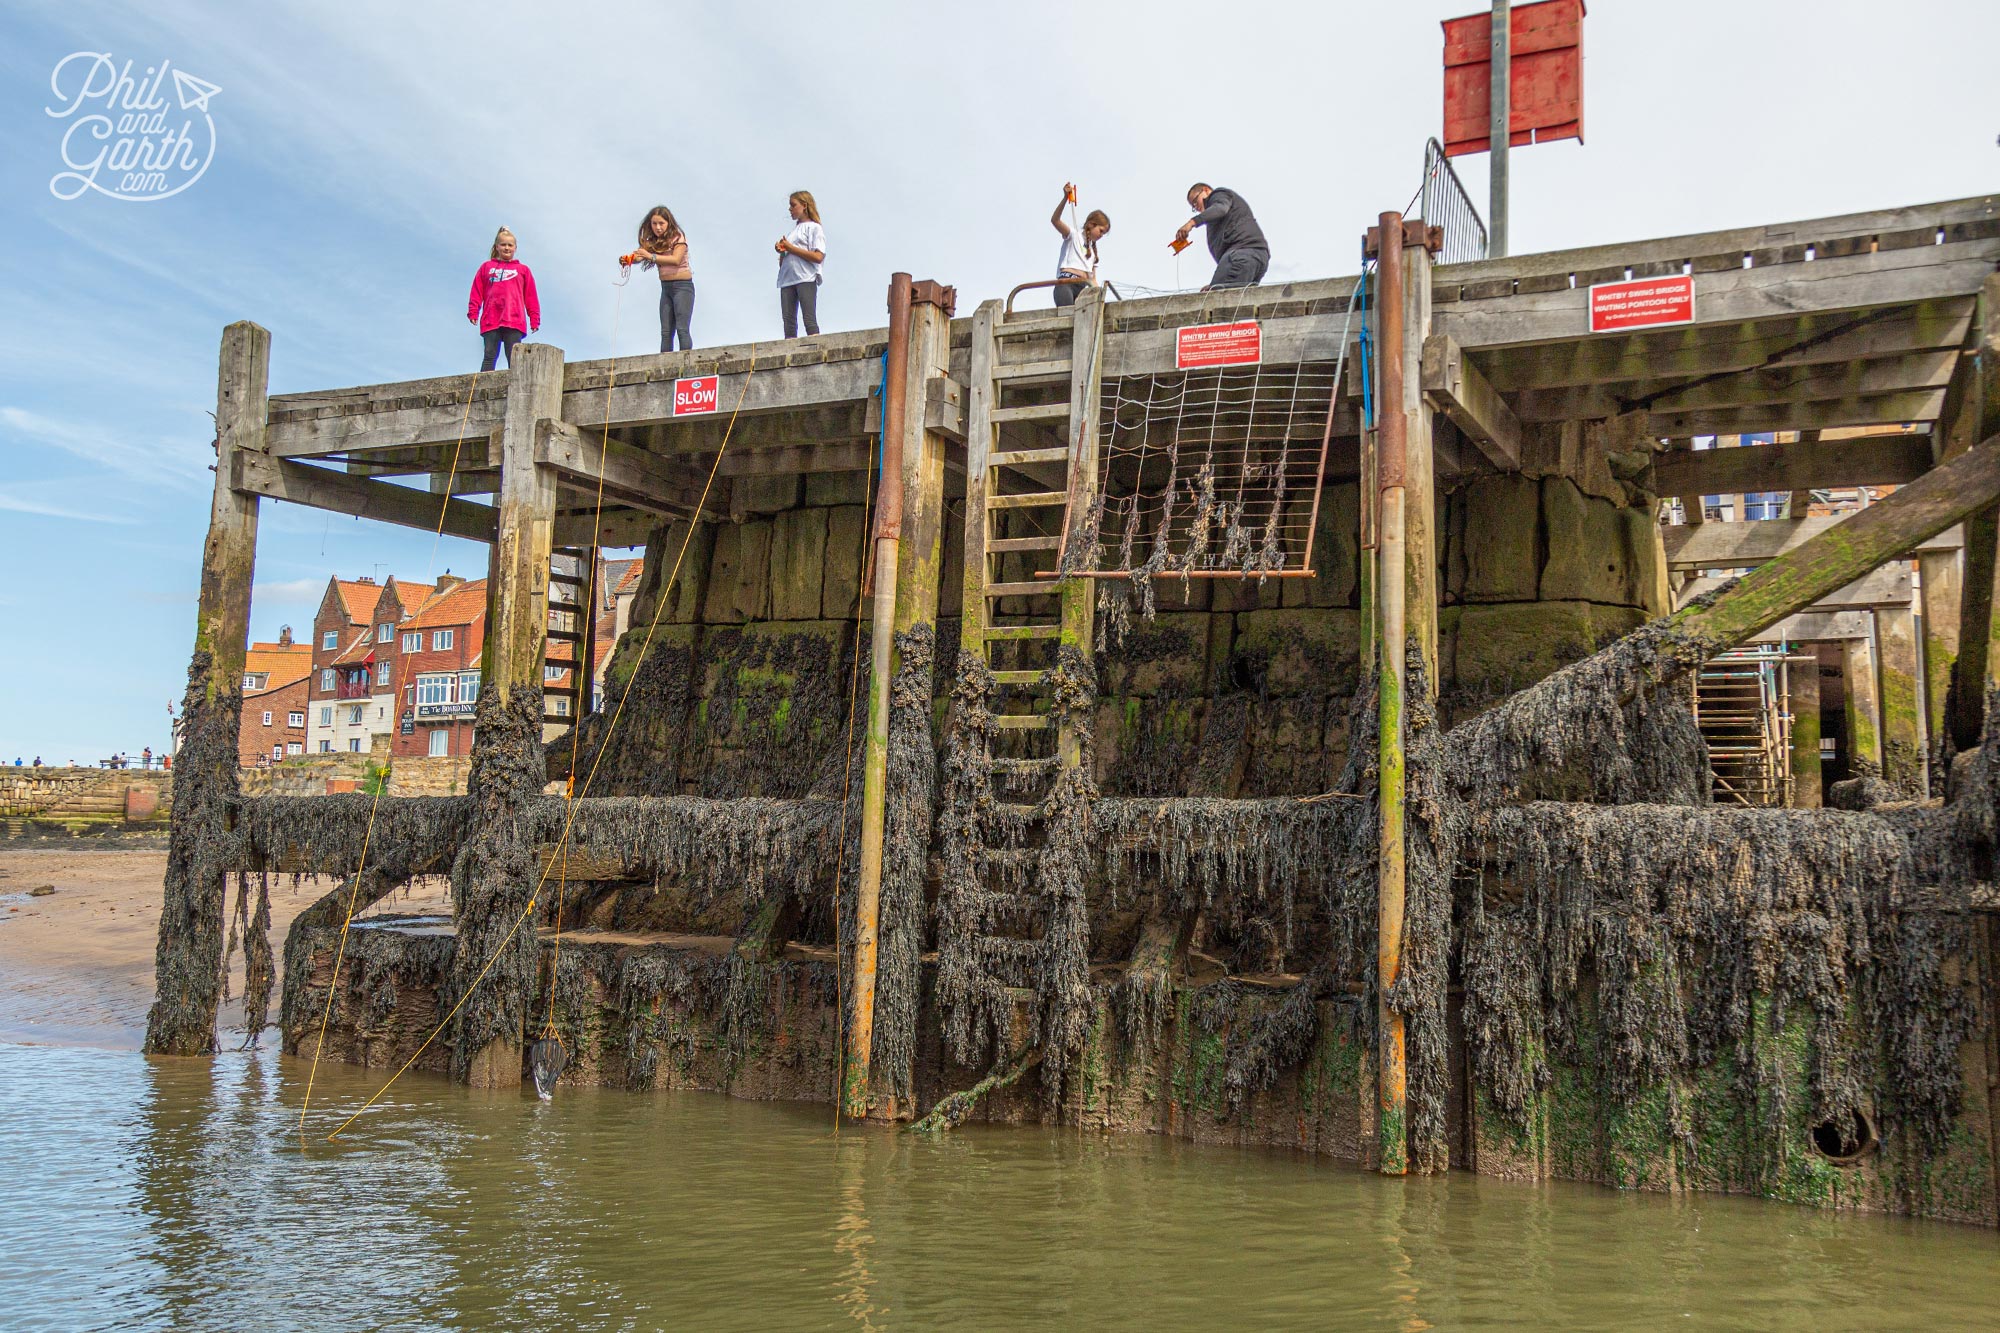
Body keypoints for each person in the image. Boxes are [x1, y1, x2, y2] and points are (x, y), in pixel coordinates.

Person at [467, 226, 540, 370]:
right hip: (491, 318)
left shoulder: (523, 270)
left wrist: (534, 318)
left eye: (510, 245)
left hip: (514, 319)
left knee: (514, 357)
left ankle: (516, 389)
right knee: (489, 355)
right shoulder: (486, 267)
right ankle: (484, 389)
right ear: (497, 247)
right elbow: (477, 290)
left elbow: (531, 296)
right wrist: (473, 311)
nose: (507, 248)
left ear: (515, 247)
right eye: (503, 245)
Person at [1175, 183, 1270, 290]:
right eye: (1193, 207)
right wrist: (1215, 286)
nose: (1196, 207)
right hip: (1258, 258)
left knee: (1215, 301)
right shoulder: (1215, 217)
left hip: (1240, 254)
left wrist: (1191, 223)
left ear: (1206, 190)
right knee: (1236, 301)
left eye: (1195, 201)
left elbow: (1220, 208)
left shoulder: (1218, 195)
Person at [634, 205, 695, 352]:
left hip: (683, 287)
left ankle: (686, 364)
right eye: (654, 224)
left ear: (668, 223)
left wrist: (651, 256)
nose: (658, 227)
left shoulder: (678, 237)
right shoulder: (654, 241)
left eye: (661, 223)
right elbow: (639, 256)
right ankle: (666, 368)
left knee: (682, 329)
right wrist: (628, 260)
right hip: (666, 289)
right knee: (666, 332)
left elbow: (676, 259)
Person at [775, 191, 826, 338]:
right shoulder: (793, 232)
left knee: (809, 319)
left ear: (804, 205)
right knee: (788, 323)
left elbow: (818, 256)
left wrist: (791, 248)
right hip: (787, 279)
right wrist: (783, 251)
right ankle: (789, 353)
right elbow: (785, 260)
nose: (790, 209)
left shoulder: (814, 228)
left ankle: (816, 348)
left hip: (805, 277)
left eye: (793, 205)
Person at [1050, 183, 1109, 308]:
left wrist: (1100, 298)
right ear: (1092, 224)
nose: (1101, 235)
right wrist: (1065, 198)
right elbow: (1055, 220)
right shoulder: (1073, 235)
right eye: (1101, 230)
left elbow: (1092, 280)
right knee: (1068, 316)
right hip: (1065, 284)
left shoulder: (1092, 253)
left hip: (1082, 290)